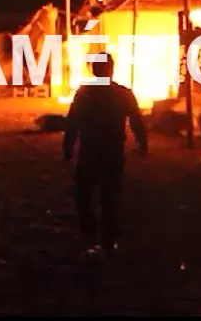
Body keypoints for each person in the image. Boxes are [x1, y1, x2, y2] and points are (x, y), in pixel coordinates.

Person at [62, 53, 147, 255]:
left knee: (85, 196)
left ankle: (90, 237)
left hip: (90, 150)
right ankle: (109, 240)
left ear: (94, 69)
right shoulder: (122, 93)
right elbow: (136, 120)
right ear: (111, 69)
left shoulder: (84, 93)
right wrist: (143, 142)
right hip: (112, 152)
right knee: (110, 197)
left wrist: (68, 148)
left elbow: (72, 122)